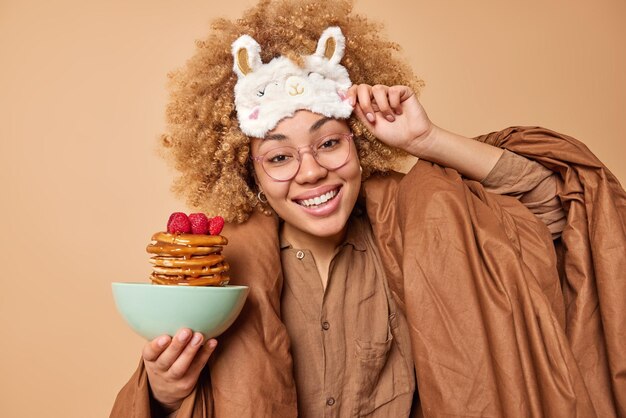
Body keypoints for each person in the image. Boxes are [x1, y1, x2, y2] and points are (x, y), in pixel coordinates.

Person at [111, 1, 626, 417]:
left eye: (329, 143)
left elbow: (560, 205)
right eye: (280, 156)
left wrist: (426, 138)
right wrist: (162, 393)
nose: (310, 171)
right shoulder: (219, 277)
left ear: (358, 142)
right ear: (248, 174)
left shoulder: (423, 224)